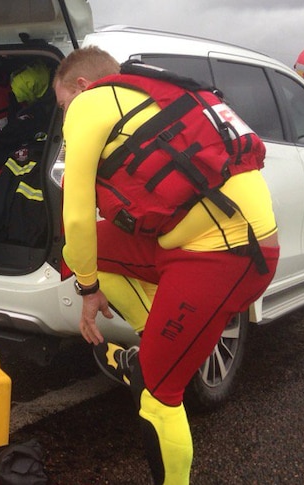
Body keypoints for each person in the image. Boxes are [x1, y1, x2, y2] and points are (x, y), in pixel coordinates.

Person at [54, 46, 280, 484]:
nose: (65, 117)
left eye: (62, 105)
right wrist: (87, 276)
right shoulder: (149, 95)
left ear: (81, 86)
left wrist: (87, 292)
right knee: (79, 252)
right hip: (190, 242)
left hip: (225, 256)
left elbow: (77, 214)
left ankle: (153, 372)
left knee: (157, 394)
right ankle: (155, 344)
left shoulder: (90, 102)